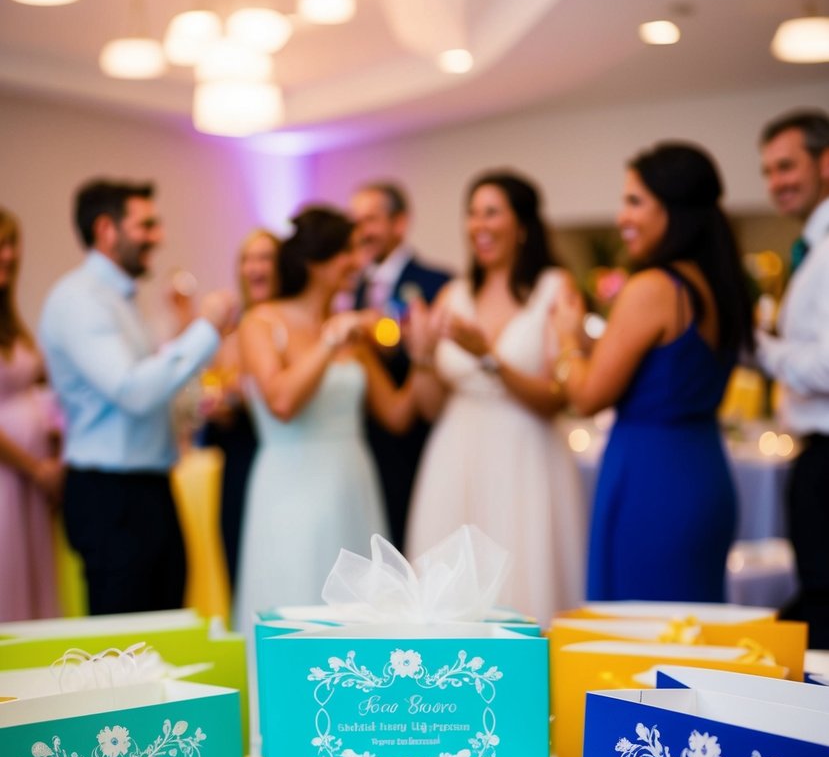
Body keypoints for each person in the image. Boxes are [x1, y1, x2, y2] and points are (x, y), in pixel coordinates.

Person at [551, 142, 755, 602]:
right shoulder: (719, 285)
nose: (622, 217)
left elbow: (586, 398)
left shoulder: (653, 288)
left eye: (634, 201)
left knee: (641, 633)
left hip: (650, 479)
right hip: (702, 468)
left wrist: (566, 337)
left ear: (674, 209)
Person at [39, 178, 237, 615]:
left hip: (148, 485)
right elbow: (133, 390)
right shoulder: (79, 299)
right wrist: (206, 328)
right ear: (107, 229)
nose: (158, 238)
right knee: (124, 638)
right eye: (146, 225)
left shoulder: (121, 300)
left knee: (166, 621)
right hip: (110, 494)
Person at [405, 170, 585, 623]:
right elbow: (429, 407)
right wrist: (423, 357)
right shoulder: (454, 293)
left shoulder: (553, 289)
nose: (478, 225)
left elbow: (556, 398)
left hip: (525, 454)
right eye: (471, 214)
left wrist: (490, 359)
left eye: (491, 213)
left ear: (522, 225)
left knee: (524, 579)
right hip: (454, 453)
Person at [234, 205, 416, 632]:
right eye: (348, 251)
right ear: (316, 261)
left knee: (359, 617)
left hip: (352, 482)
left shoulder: (351, 332)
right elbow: (281, 401)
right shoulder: (262, 322)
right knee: (298, 596)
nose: (358, 262)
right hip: (291, 488)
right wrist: (329, 340)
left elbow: (396, 414)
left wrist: (425, 357)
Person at [756, 109, 829, 645]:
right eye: (768, 171)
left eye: (787, 167)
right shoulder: (811, 249)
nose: (776, 182)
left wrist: (762, 350)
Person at [349, 181, 451, 550]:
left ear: (399, 223)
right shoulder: (352, 287)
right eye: (356, 222)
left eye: (371, 220)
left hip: (416, 442)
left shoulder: (437, 283)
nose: (362, 232)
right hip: (364, 443)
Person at [201, 228, 280, 591]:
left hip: (281, 455)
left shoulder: (292, 328)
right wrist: (217, 405)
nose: (255, 267)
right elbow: (209, 393)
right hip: (239, 460)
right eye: (248, 259)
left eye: (265, 258)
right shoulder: (229, 335)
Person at [0, 208, 63, 621]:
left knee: (38, 577)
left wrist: (55, 454)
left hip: (37, 479)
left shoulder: (14, 322)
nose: (6, 255)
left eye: (10, 244)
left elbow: (44, 388)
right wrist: (34, 468)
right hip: (9, 475)